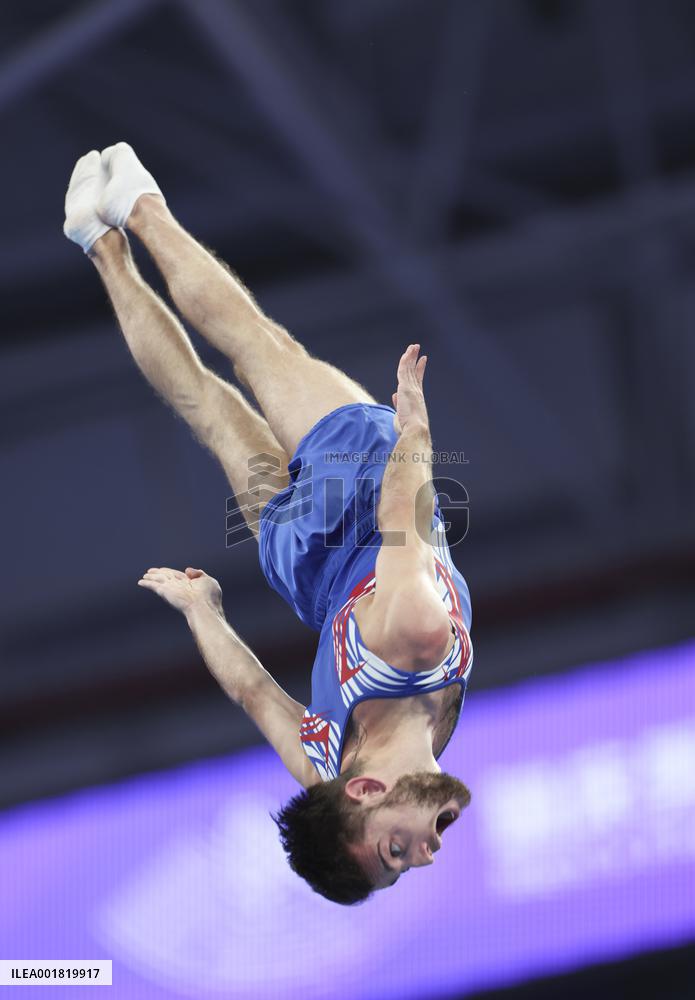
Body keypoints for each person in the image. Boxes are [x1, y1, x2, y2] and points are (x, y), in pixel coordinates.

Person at [63, 143, 474, 905]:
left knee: (257, 346)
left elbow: (399, 514)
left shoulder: (419, 640)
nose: (422, 857)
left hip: (355, 492)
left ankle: (139, 205)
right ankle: (99, 244)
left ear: (366, 792)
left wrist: (412, 431)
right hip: (301, 573)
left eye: (394, 851)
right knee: (206, 410)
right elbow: (252, 693)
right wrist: (202, 613)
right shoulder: (322, 770)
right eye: (403, 864)